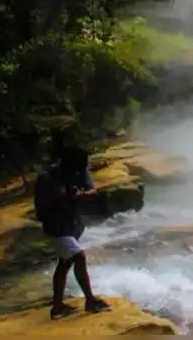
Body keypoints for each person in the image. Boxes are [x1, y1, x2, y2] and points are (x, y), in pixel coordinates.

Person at [34, 132, 111, 319]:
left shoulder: (79, 170)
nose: (83, 172)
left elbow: (92, 190)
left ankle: (57, 307)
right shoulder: (47, 178)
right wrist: (62, 197)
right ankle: (90, 300)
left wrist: (80, 195)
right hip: (56, 226)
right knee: (79, 256)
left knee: (65, 263)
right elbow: (45, 205)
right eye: (80, 169)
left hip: (71, 224)